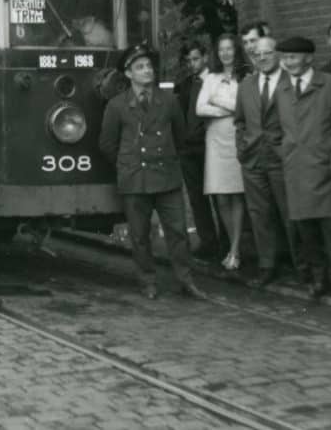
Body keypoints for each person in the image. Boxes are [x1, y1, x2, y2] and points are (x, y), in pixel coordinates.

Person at [99, 44, 206, 300]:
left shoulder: (168, 100)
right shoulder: (117, 106)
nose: (147, 71)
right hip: (135, 178)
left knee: (178, 232)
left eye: (148, 66)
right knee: (140, 235)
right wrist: (128, 163)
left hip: (166, 176)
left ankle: (185, 280)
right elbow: (107, 144)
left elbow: (181, 137)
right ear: (128, 74)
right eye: (140, 67)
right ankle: (147, 281)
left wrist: (165, 158)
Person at [275, 36, 331, 301]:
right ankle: (319, 279)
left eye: (293, 57)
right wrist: (284, 150)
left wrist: (329, 151)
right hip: (295, 169)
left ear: (308, 58)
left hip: (324, 168)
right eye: (284, 58)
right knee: (306, 230)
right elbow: (276, 128)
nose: (288, 63)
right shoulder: (282, 89)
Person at [235, 36, 297, 288]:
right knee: (260, 214)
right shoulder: (247, 85)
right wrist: (242, 148)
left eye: (267, 53)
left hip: (282, 158)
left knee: (289, 212)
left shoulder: (289, 81)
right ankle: (267, 265)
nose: (261, 58)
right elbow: (239, 121)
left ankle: (299, 265)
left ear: (277, 54)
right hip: (253, 159)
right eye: (257, 54)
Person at [196, 35, 248, 271]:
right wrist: (228, 109)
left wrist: (219, 101)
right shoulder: (211, 78)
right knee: (220, 196)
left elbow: (244, 108)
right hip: (216, 141)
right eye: (221, 49)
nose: (226, 53)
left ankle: (235, 250)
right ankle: (232, 246)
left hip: (236, 140)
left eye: (230, 49)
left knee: (236, 195)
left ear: (236, 51)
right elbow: (200, 108)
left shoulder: (246, 77)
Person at [175, 41, 224, 261]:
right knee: (196, 198)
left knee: (218, 196)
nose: (192, 64)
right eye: (189, 61)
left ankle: (227, 241)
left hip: (210, 146)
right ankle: (208, 242)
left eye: (195, 59)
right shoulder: (184, 85)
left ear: (205, 57)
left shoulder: (217, 81)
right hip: (188, 148)